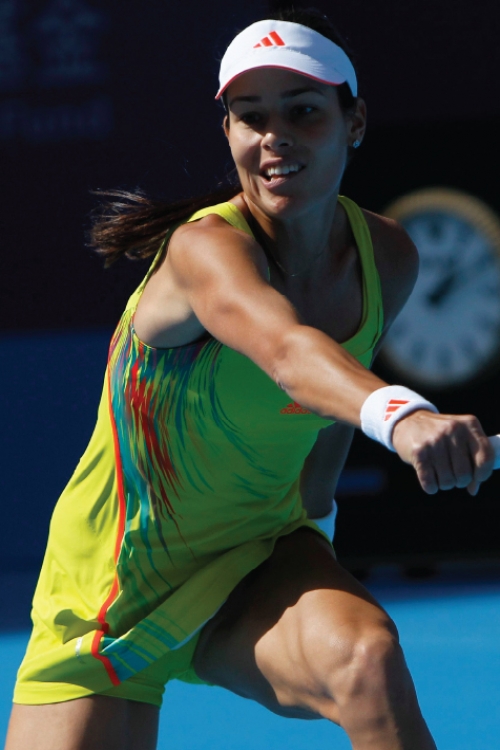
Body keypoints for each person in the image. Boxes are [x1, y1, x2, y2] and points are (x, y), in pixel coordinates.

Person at [6, 8, 494, 750]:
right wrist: (404, 416)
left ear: (355, 122)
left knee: (365, 661)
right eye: (251, 116)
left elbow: (328, 418)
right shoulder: (204, 251)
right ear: (228, 131)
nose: (274, 137)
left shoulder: (386, 257)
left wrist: (316, 535)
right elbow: (289, 354)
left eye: (303, 112)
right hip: (112, 586)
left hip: (257, 557)